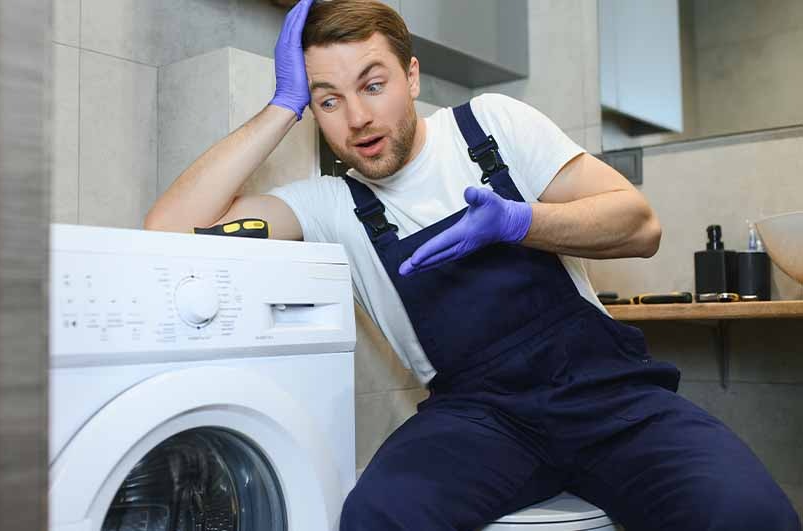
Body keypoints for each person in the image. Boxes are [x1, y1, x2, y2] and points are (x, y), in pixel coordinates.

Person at [144, 1, 802, 530]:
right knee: (376, 516)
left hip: (608, 397)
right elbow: (168, 231)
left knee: (750, 515)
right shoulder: (329, 205)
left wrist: (522, 222)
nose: (358, 118)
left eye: (372, 84)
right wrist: (281, 107)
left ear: (411, 77)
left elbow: (640, 225)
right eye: (329, 100)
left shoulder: (489, 127)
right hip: (482, 419)